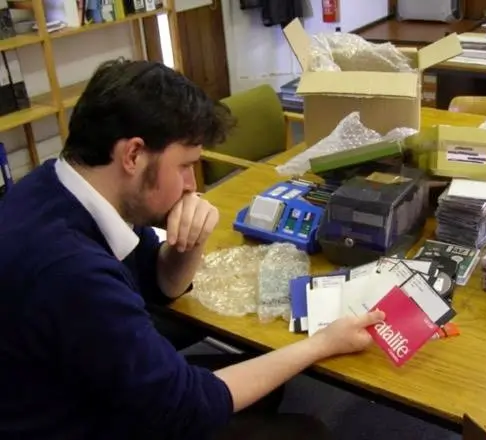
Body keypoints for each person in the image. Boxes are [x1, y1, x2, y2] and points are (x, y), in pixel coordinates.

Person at [0, 58, 384, 440]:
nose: (190, 184)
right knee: (308, 433)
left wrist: (191, 240)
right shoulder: (71, 270)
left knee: (265, 382)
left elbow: (159, 285)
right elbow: (187, 407)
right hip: (71, 420)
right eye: (185, 166)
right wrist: (322, 344)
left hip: (79, 379)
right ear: (133, 155)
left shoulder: (59, 182)